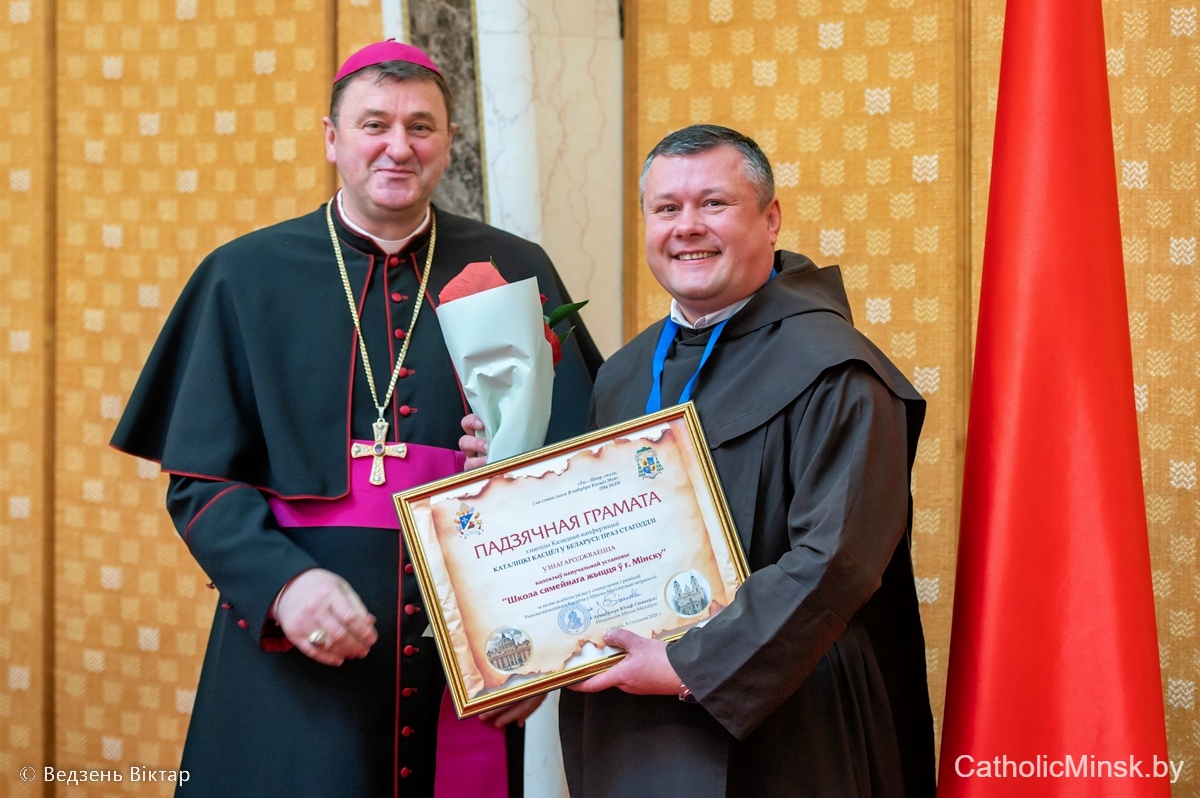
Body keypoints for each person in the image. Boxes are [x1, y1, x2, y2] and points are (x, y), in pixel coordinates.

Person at [111, 40, 601, 797]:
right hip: (292, 657)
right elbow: (199, 482)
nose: (398, 147)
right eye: (375, 124)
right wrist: (282, 585)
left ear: (448, 142)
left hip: (466, 653)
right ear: (332, 138)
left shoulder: (512, 268)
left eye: (421, 127)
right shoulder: (245, 274)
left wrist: (541, 638)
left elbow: (576, 474)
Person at [553, 124, 935, 796]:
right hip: (632, 729)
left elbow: (836, 562)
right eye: (666, 208)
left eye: (714, 203)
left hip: (791, 725)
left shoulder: (836, 368)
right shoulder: (623, 372)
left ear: (771, 217)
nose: (687, 227)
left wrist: (691, 665)